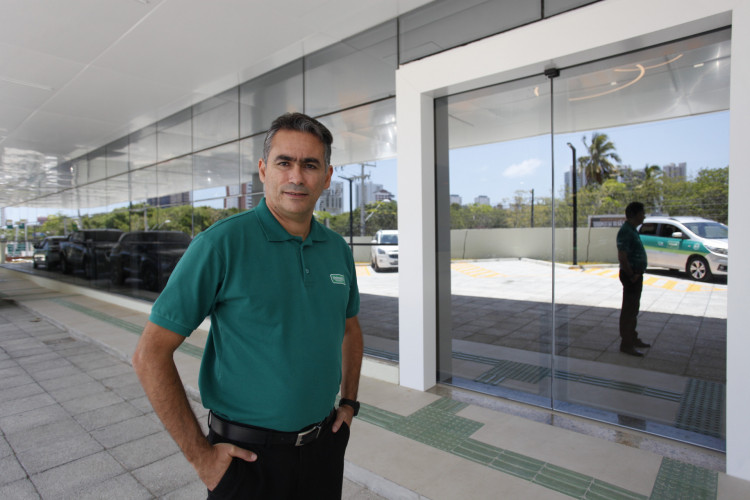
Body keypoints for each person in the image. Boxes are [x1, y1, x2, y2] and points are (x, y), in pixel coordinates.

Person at [132, 112, 364, 499]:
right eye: (284, 163)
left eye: (310, 165)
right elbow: (149, 355)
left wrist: (350, 402)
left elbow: (350, 329)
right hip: (249, 460)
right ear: (262, 170)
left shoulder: (337, 250)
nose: (296, 177)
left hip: (324, 450)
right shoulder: (220, 245)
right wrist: (202, 460)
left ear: (327, 176)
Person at [616, 201, 651, 357]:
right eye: (642, 213)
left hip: (636, 275)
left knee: (633, 309)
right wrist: (631, 274)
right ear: (635, 215)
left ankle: (633, 337)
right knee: (629, 310)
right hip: (631, 276)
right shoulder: (626, 231)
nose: (644, 216)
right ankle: (626, 343)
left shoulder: (632, 230)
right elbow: (622, 256)